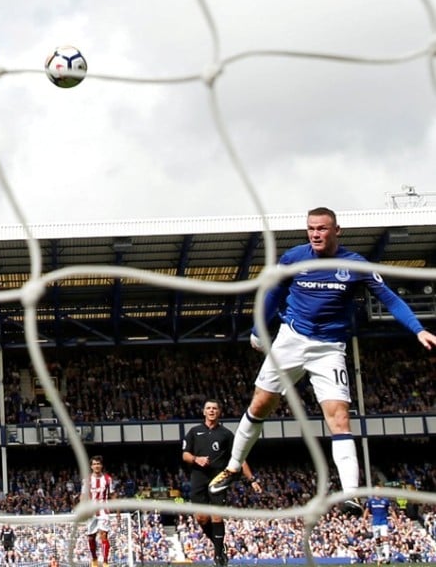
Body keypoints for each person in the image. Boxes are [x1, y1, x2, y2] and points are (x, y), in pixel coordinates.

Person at [208, 207, 436, 516]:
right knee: (260, 405)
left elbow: (390, 298)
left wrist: (418, 329)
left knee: (339, 417)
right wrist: (259, 327)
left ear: (336, 230)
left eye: (322, 228)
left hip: (329, 348)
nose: (316, 233)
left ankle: (352, 494)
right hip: (291, 339)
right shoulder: (292, 258)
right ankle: (234, 467)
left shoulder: (354, 264)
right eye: (311, 228)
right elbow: (272, 294)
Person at [182, 399, 262, 566]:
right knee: (202, 518)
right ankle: (219, 545)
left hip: (219, 479)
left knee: (217, 516)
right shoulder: (194, 432)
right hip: (198, 478)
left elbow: (240, 458)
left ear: (219, 412)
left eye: (214, 408)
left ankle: (218, 556)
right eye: (208, 408)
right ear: (203, 412)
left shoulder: (226, 434)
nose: (211, 411)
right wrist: (197, 459)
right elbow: (185, 455)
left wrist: (252, 479)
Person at [84, 455, 114, 567]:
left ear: (101, 466)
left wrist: (118, 511)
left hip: (104, 511)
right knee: (91, 537)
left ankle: (105, 562)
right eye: (94, 464)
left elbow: (112, 494)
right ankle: (94, 559)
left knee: (103, 535)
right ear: (91, 466)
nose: (97, 466)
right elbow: (83, 496)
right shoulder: (87, 480)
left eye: (98, 464)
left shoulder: (108, 479)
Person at [366, 495, 392, 563]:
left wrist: (397, 521)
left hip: (383, 522)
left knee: (385, 538)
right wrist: (364, 520)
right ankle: (380, 557)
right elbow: (367, 510)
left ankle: (387, 557)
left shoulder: (385, 500)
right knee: (377, 540)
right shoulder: (371, 501)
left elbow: (391, 510)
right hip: (375, 523)